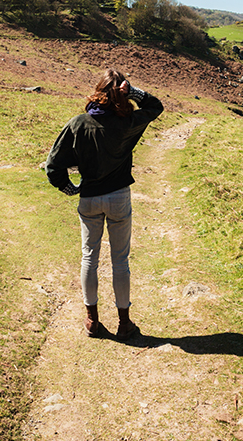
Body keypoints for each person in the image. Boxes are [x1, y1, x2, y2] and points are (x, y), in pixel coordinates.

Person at [45, 69, 164, 339]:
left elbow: (53, 165)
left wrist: (68, 187)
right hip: (119, 197)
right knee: (120, 261)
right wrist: (133, 92)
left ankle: (92, 321)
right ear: (122, 94)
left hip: (88, 198)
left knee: (89, 257)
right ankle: (125, 323)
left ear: (98, 91)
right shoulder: (129, 122)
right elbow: (156, 106)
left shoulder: (78, 124)